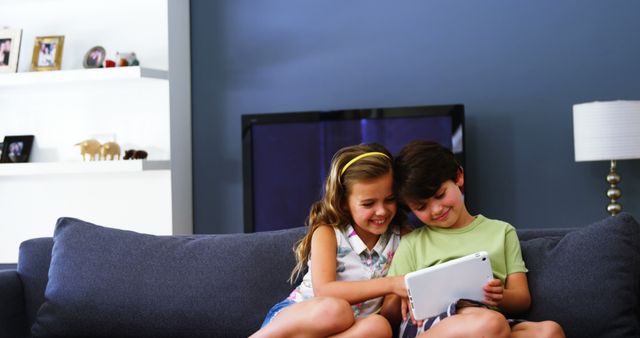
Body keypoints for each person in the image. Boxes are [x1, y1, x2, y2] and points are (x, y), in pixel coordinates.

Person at [385, 140, 565, 338]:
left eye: (440, 195)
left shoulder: (501, 232)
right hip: (433, 325)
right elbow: (389, 312)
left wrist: (499, 296)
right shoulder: (413, 243)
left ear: (458, 177)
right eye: (421, 207)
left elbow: (522, 299)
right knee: (490, 324)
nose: (436, 209)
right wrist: (406, 296)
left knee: (549, 331)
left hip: (492, 321)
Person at [250, 143, 411, 338]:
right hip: (297, 322)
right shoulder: (328, 233)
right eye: (369, 203)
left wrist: (406, 292)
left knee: (380, 327)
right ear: (344, 203)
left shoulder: (403, 238)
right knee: (336, 310)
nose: (382, 211)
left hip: (347, 330)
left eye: (389, 199)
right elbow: (324, 290)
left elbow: (388, 314)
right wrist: (393, 284)